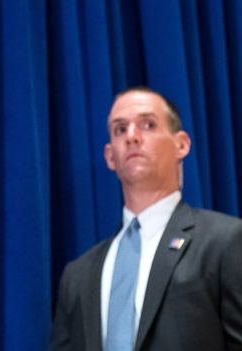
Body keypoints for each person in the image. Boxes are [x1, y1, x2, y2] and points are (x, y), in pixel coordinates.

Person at [50, 87, 242, 350]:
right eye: (120, 129)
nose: (132, 136)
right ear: (110, 156)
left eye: (148, 125)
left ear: (181, 144)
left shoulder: (226, 242)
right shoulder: (78, 275)